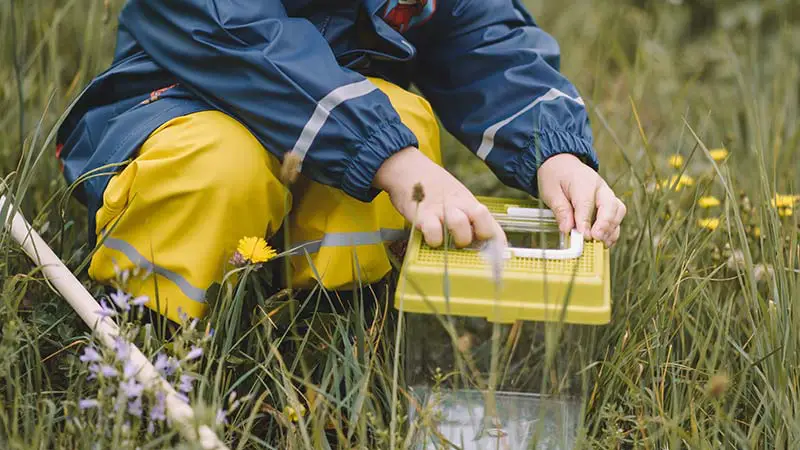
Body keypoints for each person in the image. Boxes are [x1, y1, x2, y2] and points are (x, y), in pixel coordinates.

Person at [56, 0, 626, 324]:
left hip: (339, 115)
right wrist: (388, 155)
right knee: (217, 167)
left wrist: (552, 148)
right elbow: (231, 32)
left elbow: (481, 34)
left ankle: (330, 324)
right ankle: (151, 327)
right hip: (181, 95)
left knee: (405, 122)